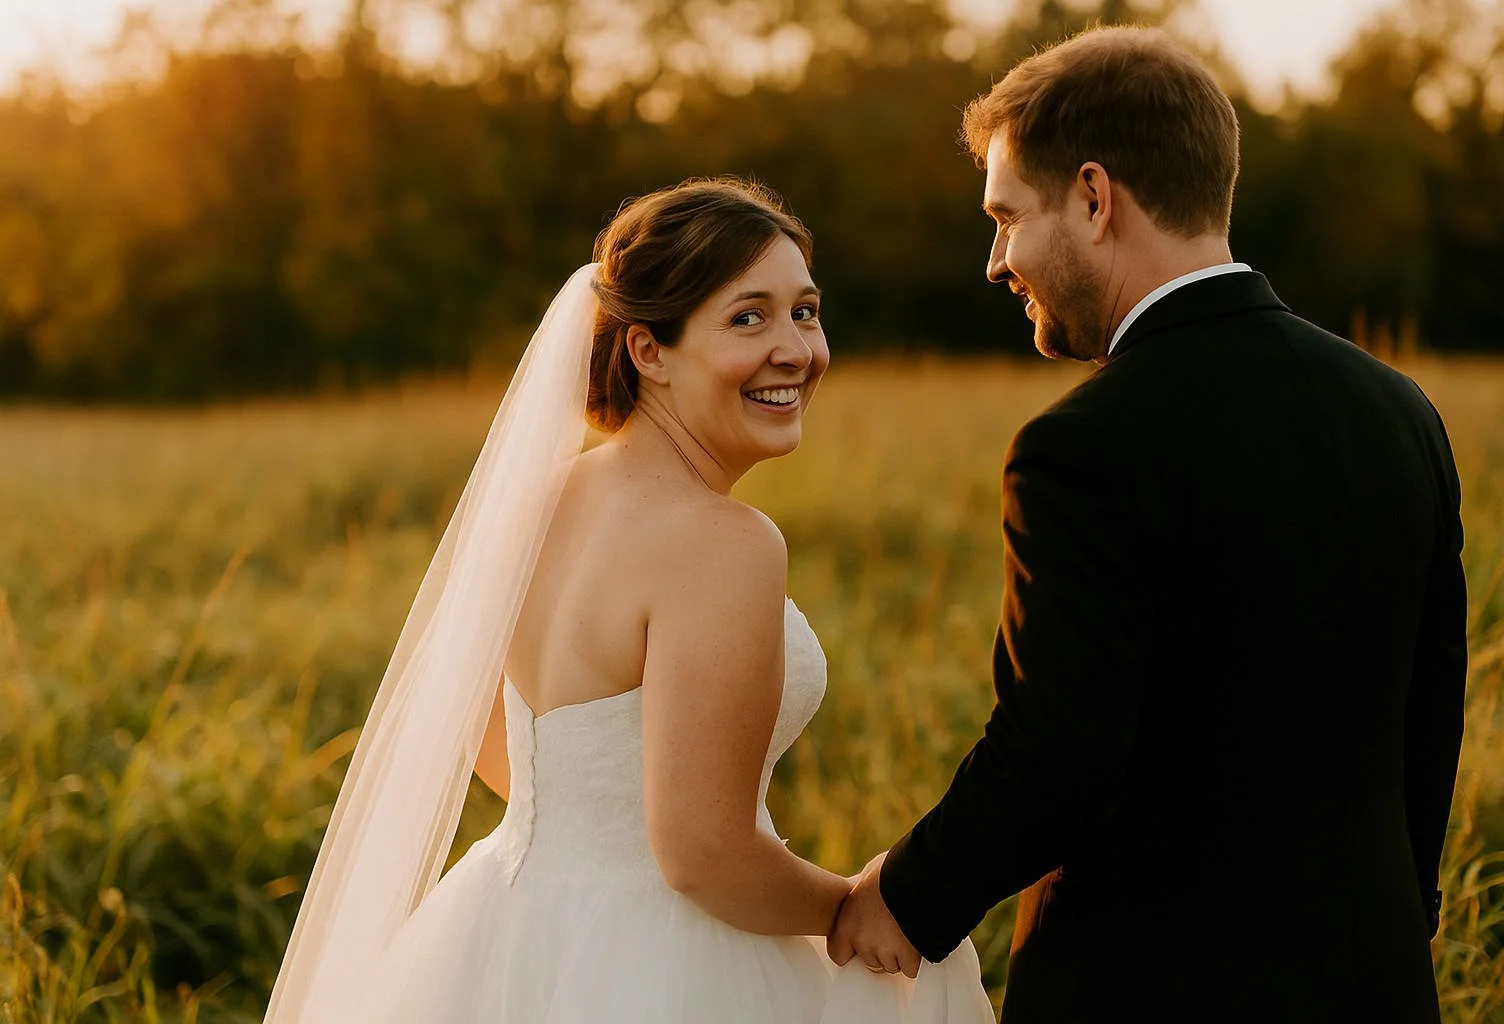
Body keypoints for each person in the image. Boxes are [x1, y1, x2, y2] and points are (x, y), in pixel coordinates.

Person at [829, 25, 1467, 1024]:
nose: (995, 261)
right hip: (1373, 984)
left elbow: (1060, 753)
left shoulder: (1082, 446)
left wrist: (904, 897)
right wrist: (1397, 922)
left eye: (1006, 218)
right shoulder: (1397, 409)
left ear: (1093, 197)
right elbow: (1431, 714)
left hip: (1146, 990)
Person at [262, 178, 993, 1024]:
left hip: (509, 924)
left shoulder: (533, 502)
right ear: (649, 351)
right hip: (668, 963)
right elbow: (702, 855)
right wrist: (858, 914)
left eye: (805, 310)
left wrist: (591, 827)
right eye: (747, 317)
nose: (795, 349)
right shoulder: (726, 541)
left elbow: (491, 736)